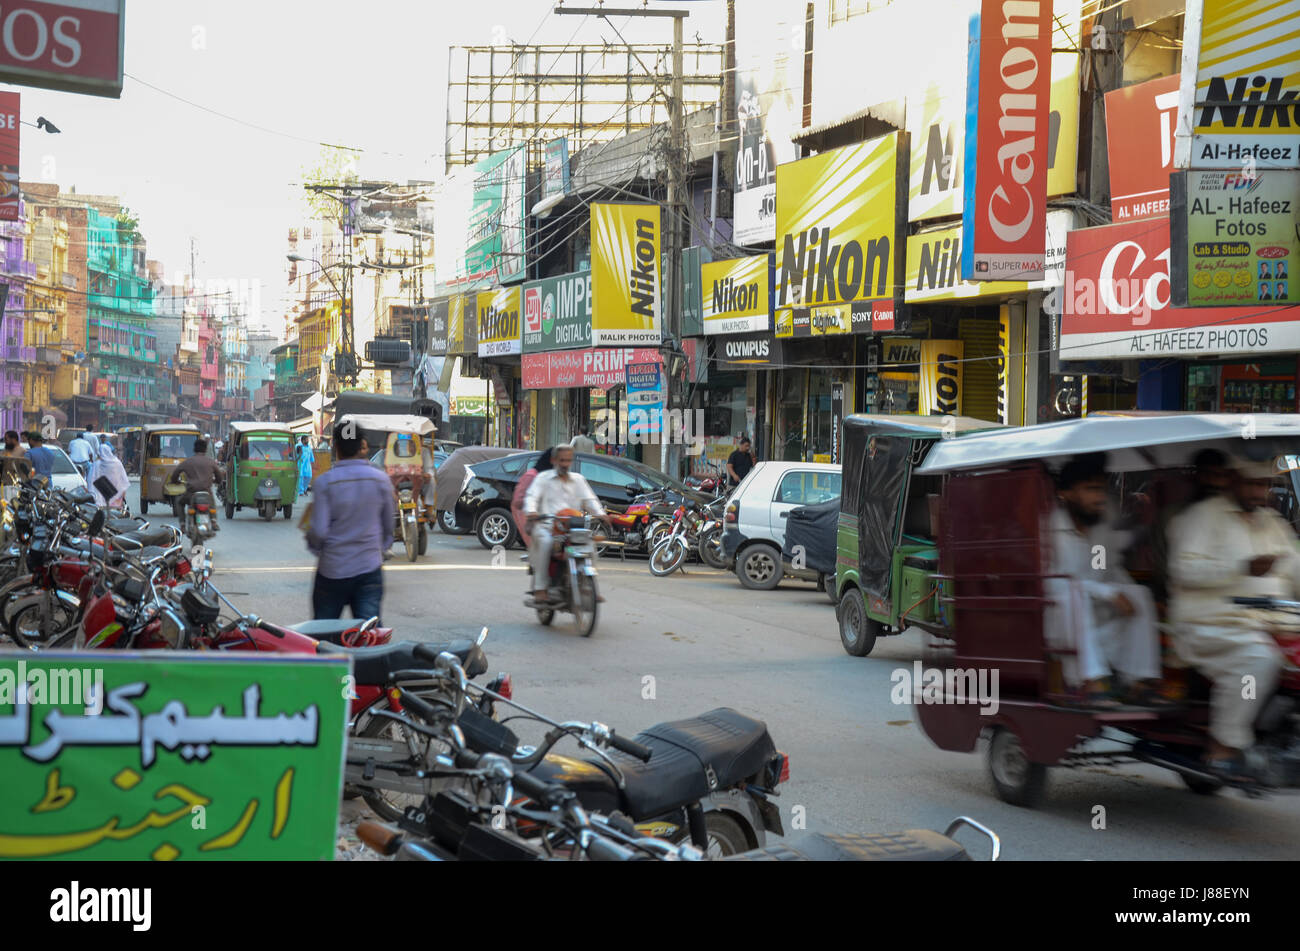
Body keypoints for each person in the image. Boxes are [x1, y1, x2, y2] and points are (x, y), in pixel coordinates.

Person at [1168, 457, 1295, 778]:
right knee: (1259, 659)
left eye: (1263, 485)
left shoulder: (1272, 522)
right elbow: (1183, 569)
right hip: (1208, 623)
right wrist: (1240, 567)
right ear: (1232, 480)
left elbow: (1295, 566)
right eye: (1252, 484)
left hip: (1270, 621)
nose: (1258, 492)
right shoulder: (1201, 517)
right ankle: (1223, 744)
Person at [1044, 453, 1166, 708]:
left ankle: (1137, 681)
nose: (1099, 498)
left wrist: (1125, 593)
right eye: (1090, 490)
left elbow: (1109, 569)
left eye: (1101, 490)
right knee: (1072, 598)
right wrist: (1106, 593)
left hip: (1097, 616)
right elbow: (1052, 585)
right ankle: (1092, 681)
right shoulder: (1049, 530)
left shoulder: (1099, 529)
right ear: (1065, 493)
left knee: (1140, 595)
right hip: (1059, 622)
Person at [306, 418, 395, 623]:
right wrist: (380, 548)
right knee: (370, 637)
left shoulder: (325, 483)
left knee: (324, 634)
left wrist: (315, 547)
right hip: (369, 568)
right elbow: (388, 526)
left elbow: (318, 531)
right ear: (362, 446)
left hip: (332, 570)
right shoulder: (380, 480)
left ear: (336, 446)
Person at [523, 444, 607, 604]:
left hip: (572, 527)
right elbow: (531, 497)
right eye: (562, 460)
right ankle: (541, 588)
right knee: (546, 543)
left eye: (568, 460)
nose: (565, 464)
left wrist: (601, 515)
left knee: (589, 544)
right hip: (547, 527)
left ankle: (588, 586)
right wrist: (532, 512)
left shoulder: (578, 480)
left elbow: (590, 501)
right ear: (554, 460)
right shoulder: (543, 479)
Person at [1147, 448, 1231, 602]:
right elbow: (1162, 569)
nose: (1212, 481)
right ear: (1195, 476)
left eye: (1219, 475)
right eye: (1207, 474)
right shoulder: (1171, 516)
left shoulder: (1235, 518)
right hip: (1180, 600)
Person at [165, 437, 224, 513]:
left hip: (191, 493)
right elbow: (219, 478)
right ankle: (213, 521)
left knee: (179, 502)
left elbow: (175, 474)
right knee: (212, 507)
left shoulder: (188, 462)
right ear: (205, 450)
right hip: (207, 493)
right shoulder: (211, 462)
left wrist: (175, 481)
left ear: (194, 449)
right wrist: (214, 481)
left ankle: (182, 524)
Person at [512, 447, 554, 538]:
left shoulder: (549, 477)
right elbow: (518, 501)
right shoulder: (532, 476)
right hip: (530, 518)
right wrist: (533, 510)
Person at [88, 443, 130, 508]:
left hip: (99, 499)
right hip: (116, 498)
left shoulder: (96, 464)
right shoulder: (117, 463)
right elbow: (123, 480)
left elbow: (91, 480)